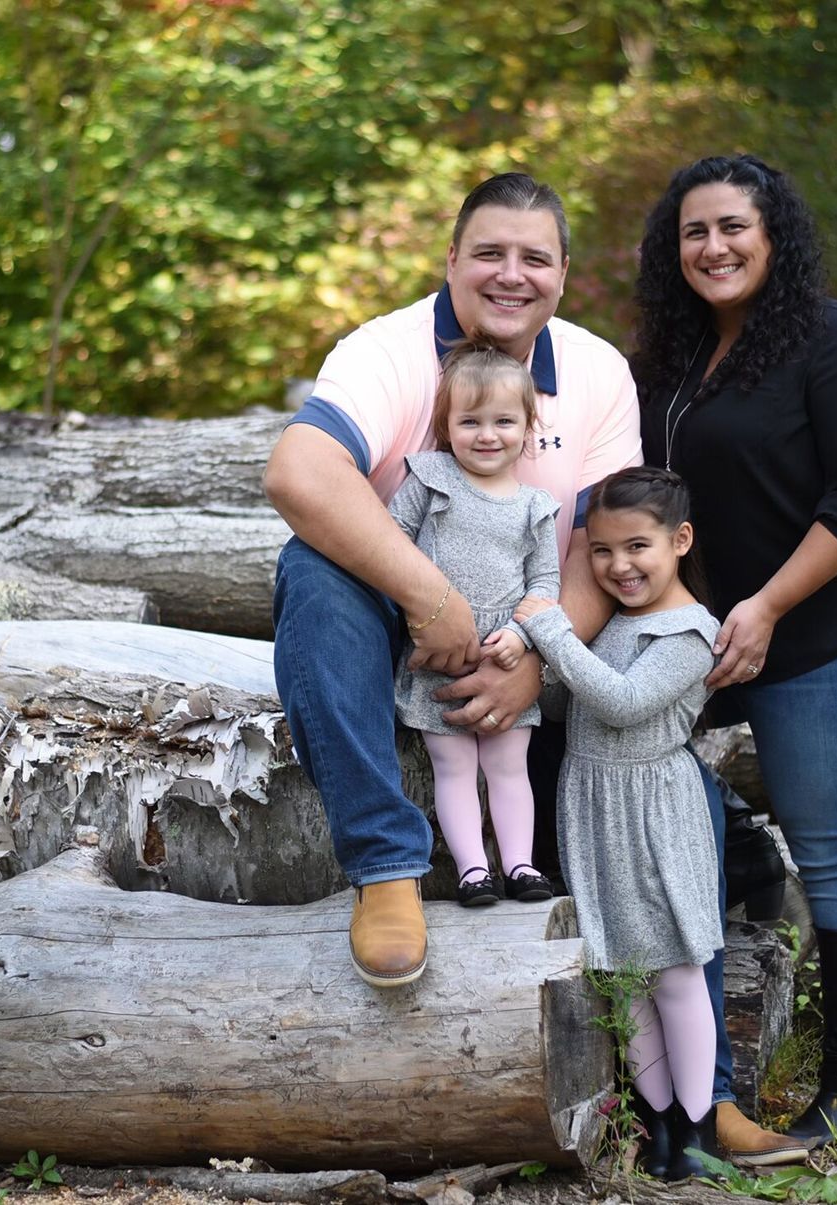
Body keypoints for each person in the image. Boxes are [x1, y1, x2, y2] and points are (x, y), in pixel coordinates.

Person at [263, 171, 799, 1163]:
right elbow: (298, 473)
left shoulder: (594, 373)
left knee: (660, 822)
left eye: (536, 258)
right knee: (311, 569)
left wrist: (533, 672)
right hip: (397, 623)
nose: (512, 274)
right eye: (490, 253)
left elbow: (607, 544)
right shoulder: (385, 352)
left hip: (541, 648)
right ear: (453, 261)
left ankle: (699, 1101)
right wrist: (431, 598)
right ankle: (388, 863)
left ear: (560, 275)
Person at [632, 154, 837, 1147]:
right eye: (694, 232)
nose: (713, 247)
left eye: (732, 228)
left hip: (830, 629)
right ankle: (741, 883)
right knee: (662, 791)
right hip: (719, 632)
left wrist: (761, 607)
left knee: (836, 845)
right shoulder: (674, 360)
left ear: (774, 237)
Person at [514, 467, 722, 1180]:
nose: (619, 565)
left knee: (673, 967)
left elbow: (626, 701)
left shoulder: (692, 630)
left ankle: (699, 1128)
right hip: (595, 800)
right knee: (623, 973)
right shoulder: (612, 621)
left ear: (679, 539)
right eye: (601, 551)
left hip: (653, 812)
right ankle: (658, 1120)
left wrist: (547, 626)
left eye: (637, 546)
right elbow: (575, 701)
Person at [390, 342, 560, 906]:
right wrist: (420, 612)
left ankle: (521, 865)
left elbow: (545, 586)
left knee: (510, 767)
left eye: (504, 421)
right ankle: (472, 870)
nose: (487, 435)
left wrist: (520, 635)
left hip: (504, 653)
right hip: (439, 653)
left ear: (527, 426)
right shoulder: (431, 478)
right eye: (470, 421)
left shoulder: (534, 506)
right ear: (447, 425)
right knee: (455, 765)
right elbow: (393, 541)